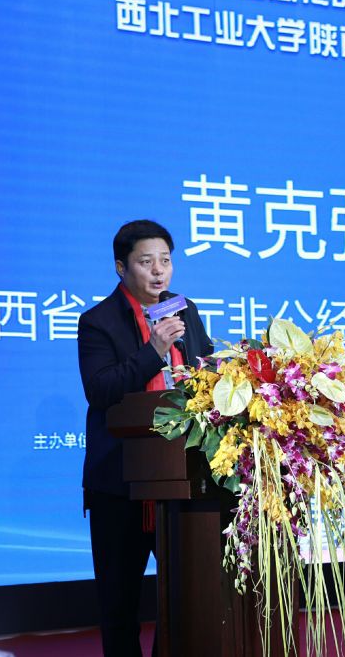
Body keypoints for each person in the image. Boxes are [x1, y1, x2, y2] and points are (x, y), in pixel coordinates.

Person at [77, 219, 213, 657]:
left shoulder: (184, 310)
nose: (159, 271)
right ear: (121, 267)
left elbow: (205, 370)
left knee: (186, 597)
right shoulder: (98, 322)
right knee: (120, 606)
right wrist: (154, 351)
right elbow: (101, 390)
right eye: (146, 262)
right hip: (120, 485)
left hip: (182, 479)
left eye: (165, 261)